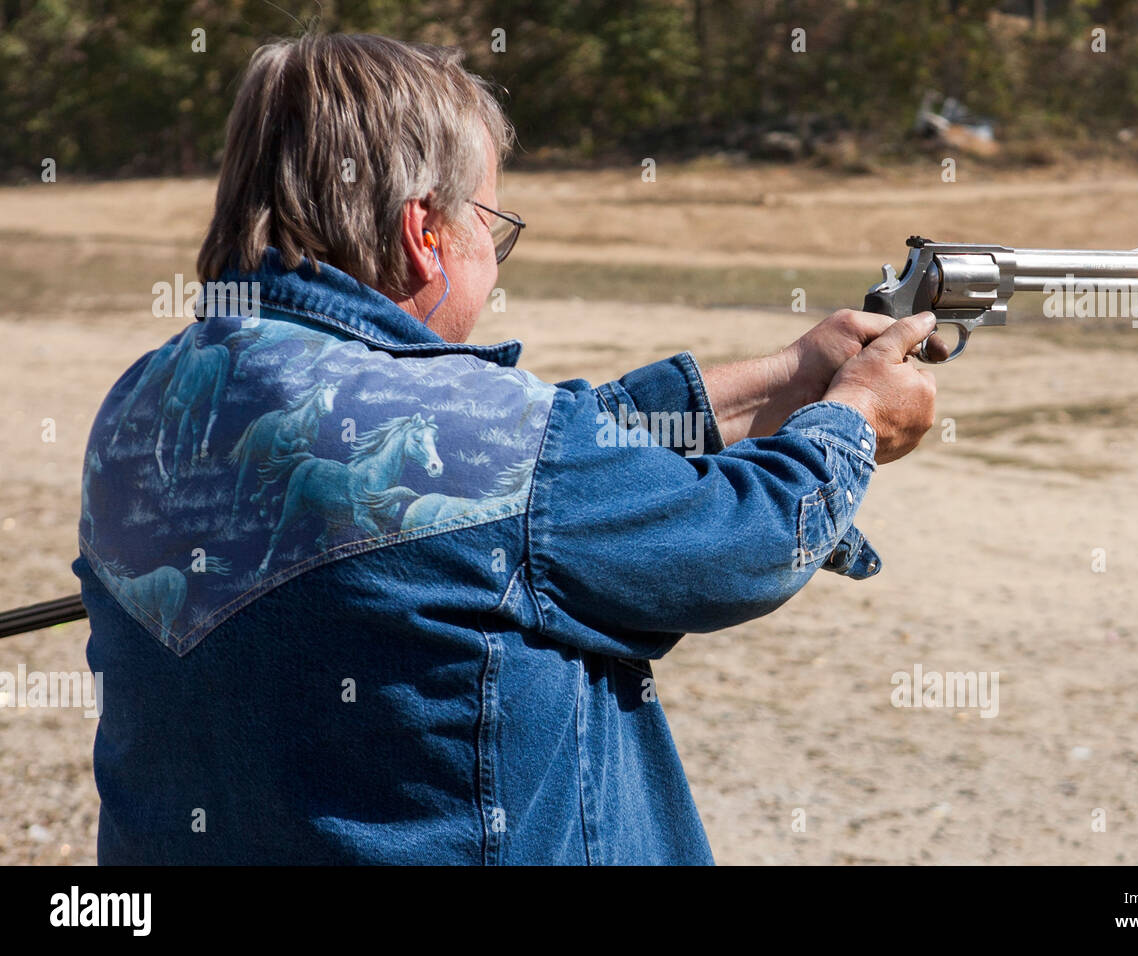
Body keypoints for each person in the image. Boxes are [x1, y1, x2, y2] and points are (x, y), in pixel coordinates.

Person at [74, 33, 937, 865]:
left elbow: (520, 480)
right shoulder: (486, 441)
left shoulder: (139, 408)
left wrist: (792, 372)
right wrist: (855, 420)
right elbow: (741, 541)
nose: (495, 255)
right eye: (489, 220)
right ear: (425, 235)